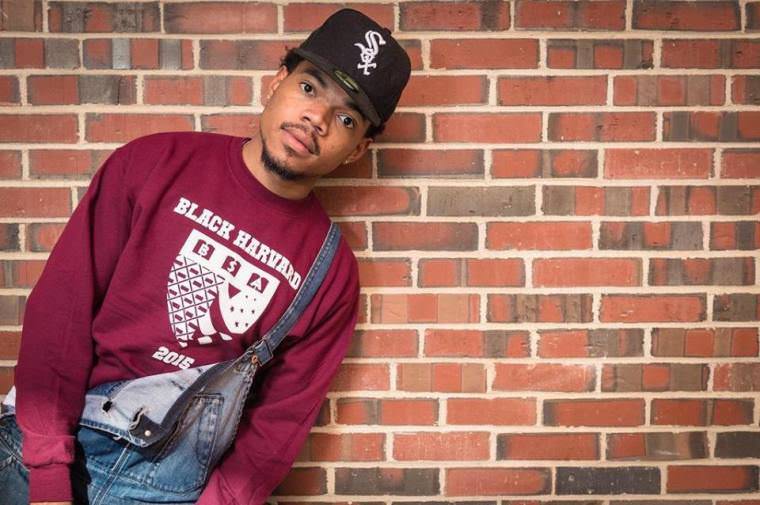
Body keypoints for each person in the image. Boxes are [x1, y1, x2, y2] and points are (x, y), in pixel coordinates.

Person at [0, 9, 410, 505]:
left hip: (165, 490)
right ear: (277, 82)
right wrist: (47, 472)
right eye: (309, 88)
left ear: (357, 149)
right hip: (42, 453)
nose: (316, 119)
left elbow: (279, 421)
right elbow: (63, 309)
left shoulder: (331, 273)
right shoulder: (154, 164)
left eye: (345, 118)